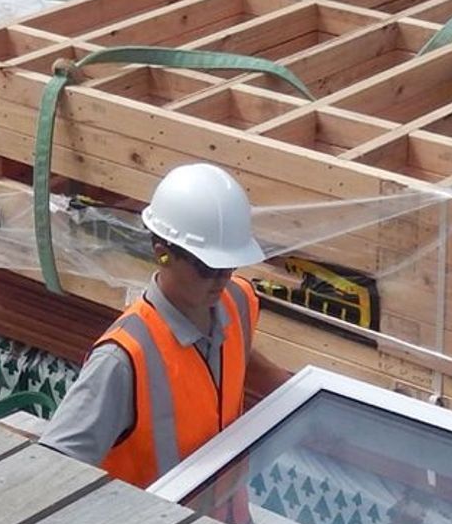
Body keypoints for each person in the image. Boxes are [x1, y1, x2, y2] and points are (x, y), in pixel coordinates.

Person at [38, 163, 290, 486]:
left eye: (228, 267)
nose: (220, 280)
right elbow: (53, 469)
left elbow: (234, 358)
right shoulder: (124, 359)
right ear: (163, 254)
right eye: (206, 268)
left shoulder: (236, 300)